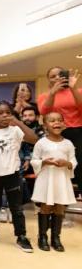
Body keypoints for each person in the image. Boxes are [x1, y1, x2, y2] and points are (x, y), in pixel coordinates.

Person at [0, 100, 38, 253]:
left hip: (13, 175)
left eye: (8, 113)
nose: (5, 116)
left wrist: (18, 122)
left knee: (17, 208)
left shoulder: (16, 130)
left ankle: (21, 236)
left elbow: (33, 139)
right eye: (0, 113)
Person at [31, 112, 77, 252]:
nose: (56, 123)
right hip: (47, 179)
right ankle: (42, 237)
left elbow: (73, 160)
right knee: (45, 207)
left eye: (59, 120)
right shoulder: (41, 143)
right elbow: (34, 160)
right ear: (45, 125)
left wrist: (67, 163)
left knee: (59, 208)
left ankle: (55, 238)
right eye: (52, 121)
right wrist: (43, 162)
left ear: (64, 124)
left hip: (61, 180)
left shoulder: (68, 143)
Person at [38, 67, 82, 195]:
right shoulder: (44, 96)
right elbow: (45, 113)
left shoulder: (78, 91)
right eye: (53, 76)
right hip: (56, 134)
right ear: (49, 80)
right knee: (56, 167)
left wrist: (73, 89)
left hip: (78, 132)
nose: (57, 78)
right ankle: (56, 204)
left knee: (80, 167)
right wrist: (53, 93)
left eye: (60, 74)